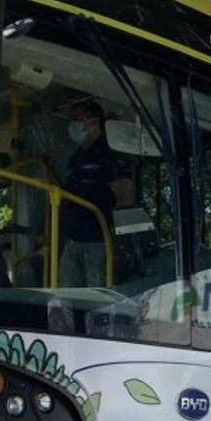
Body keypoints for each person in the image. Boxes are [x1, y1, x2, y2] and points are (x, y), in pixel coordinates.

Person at [58, 100, 132, 287]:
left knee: (98, 300)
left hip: (99, 240)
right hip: (73, 239)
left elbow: (125, 193)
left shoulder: (110, 154)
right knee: (64, 297)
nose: (72, 125)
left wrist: (120, 244)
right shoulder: (75, 159)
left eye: (77, 119)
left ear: (93, 122)